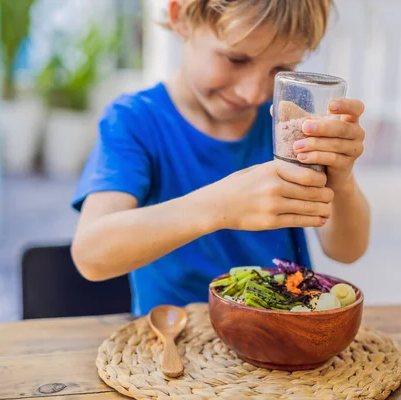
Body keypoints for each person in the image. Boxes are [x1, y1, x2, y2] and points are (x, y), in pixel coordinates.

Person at [70, 0, 371, 317]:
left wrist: (342, 180)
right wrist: (221, 206)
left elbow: (347, 250)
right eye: (236, 58)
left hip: (284, 333)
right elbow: (92, 254)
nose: (253, 93)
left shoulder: (289, 121)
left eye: (281, 70)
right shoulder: (134, 122)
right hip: (179, 336)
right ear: (181, 16)